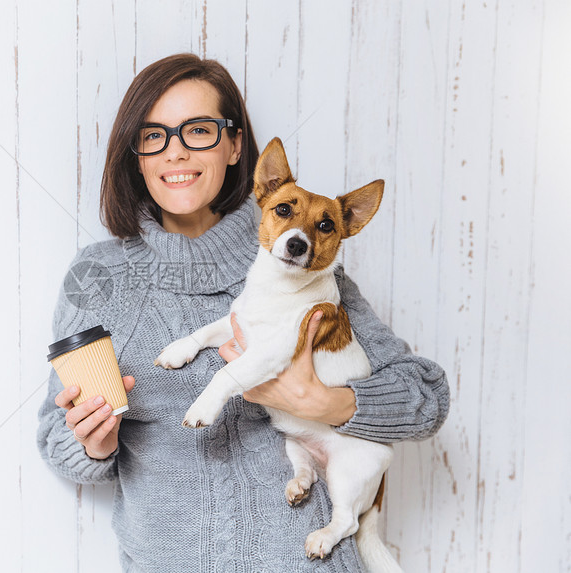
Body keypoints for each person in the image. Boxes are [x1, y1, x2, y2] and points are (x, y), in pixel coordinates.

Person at [37, 53, 449, 572]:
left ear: (235, 146)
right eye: (154, 135)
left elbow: (427, 398)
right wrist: (92, 443)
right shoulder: (96, 277)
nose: (176, 152)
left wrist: (323, 401)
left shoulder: (310, 272)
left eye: (199, 131)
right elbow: (56, 436)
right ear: (136, 154)